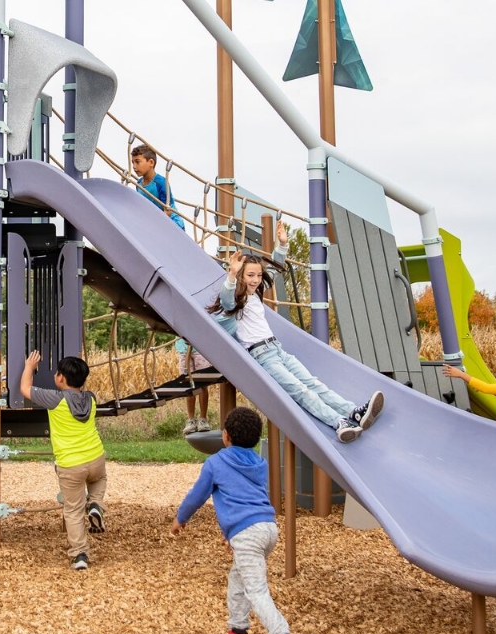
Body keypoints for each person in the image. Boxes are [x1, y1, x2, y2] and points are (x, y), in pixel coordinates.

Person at [207, 224, 384, 443]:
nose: (255, 279)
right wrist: (232, 275)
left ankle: (352, 412)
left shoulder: (254, 294)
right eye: (250, 275)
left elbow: (273, 270)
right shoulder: (237, 300)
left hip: (277, 349)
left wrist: (282, 244)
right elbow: (226, 299)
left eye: (258, 275)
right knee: (300, 390)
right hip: (262, 355)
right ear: (241, 276)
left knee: (313, 383)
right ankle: (338, 423)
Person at [172, 407, 297, 634]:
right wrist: (234, 534)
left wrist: (181, 518)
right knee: (238, 580)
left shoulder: (215, 463)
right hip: (267, 527)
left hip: (248, 534)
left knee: (256, 590)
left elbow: (197, 495)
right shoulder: (259, 463)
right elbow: (245, 498)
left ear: (226, 436)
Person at [19, 350, 107, 570]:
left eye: (58, 373)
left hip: (71, 464)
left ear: (60, 378)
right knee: (99, 479)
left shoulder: (56, 400)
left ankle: (80, 555)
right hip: (96, 457)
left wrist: (30, 367)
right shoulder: (91, 399)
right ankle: (96, 503)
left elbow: (25, 389)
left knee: (73, 511)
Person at [131, 144, 183, 229]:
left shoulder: (160, 182)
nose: (134, 166)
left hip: (173, 224)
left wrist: (155, 227)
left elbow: (168, 210)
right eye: (132, 162)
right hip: (154, 222)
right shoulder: (139, 184)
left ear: (151, 162)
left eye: (137, 162)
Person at [176, 338, 214, 433]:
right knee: (189, 386)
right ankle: (191, 420)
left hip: (200, 348)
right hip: (183, 348)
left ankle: (203, 419)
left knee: (202, 384)